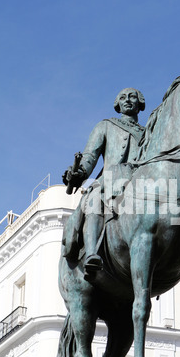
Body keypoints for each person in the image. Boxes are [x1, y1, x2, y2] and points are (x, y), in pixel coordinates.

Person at [63, 88, 146, 277]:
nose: (127, 100)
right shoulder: (106, 126)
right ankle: (92, 253)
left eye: (132, 97)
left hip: (140, 181)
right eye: (123, 97)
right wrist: (79, 172)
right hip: (111, 179)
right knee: (94, 199)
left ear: (140, 103)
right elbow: (90, 156)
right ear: (117, 104)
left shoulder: (148, 133)